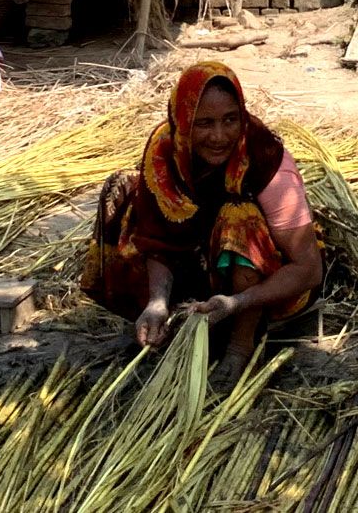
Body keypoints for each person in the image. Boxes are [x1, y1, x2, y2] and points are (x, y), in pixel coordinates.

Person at [81, 61, 322, 380]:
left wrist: (237, 302)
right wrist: (156, 301)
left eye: (230, 120)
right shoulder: (165, 151)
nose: (219, 136)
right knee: (120, 189)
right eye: (204, 123)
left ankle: (240, 345)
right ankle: (167, 318)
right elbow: (158, 239)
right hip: (200, 267)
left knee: (240, 217)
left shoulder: (264, 157)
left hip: (261, 287)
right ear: (182, 121)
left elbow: (309, 269)